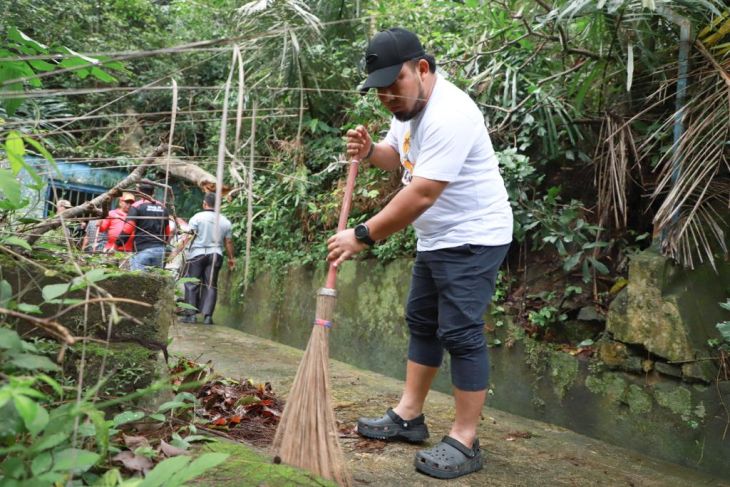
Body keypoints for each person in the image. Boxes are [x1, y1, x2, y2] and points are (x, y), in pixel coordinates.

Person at [326, 28, 513, 479]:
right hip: (437, 237)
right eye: (381, 89)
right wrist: (371, 151)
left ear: (422, 69)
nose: (388, 95)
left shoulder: (451, 113)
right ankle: (409, 417)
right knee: (422, 322)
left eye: (396, 83)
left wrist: (363, 234)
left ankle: (466, 441)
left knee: (461, 333)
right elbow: (398, 156)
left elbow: (423, 193)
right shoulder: (409, 107)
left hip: (474, 236)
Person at [174, 192, 235, 325]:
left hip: (197, 255)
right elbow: (228, 242)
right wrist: (231, 259)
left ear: (204, 203)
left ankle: (191, 316)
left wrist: (177, 251)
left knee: (191, 283)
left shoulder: (197, 218)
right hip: (215, 255)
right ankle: (208, 316)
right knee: (211, 285)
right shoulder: (225, 221)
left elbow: (188, 237)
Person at [118, 183, 171, 270]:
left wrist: (118, 243)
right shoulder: (163, 207)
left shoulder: (136, 206)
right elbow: (167, 231)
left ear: (138, 192)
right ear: (153, 193)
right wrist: (163, 244)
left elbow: (128, 228)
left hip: (142, 249)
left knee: (139, 280)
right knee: (156, 280)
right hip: (159, 250)